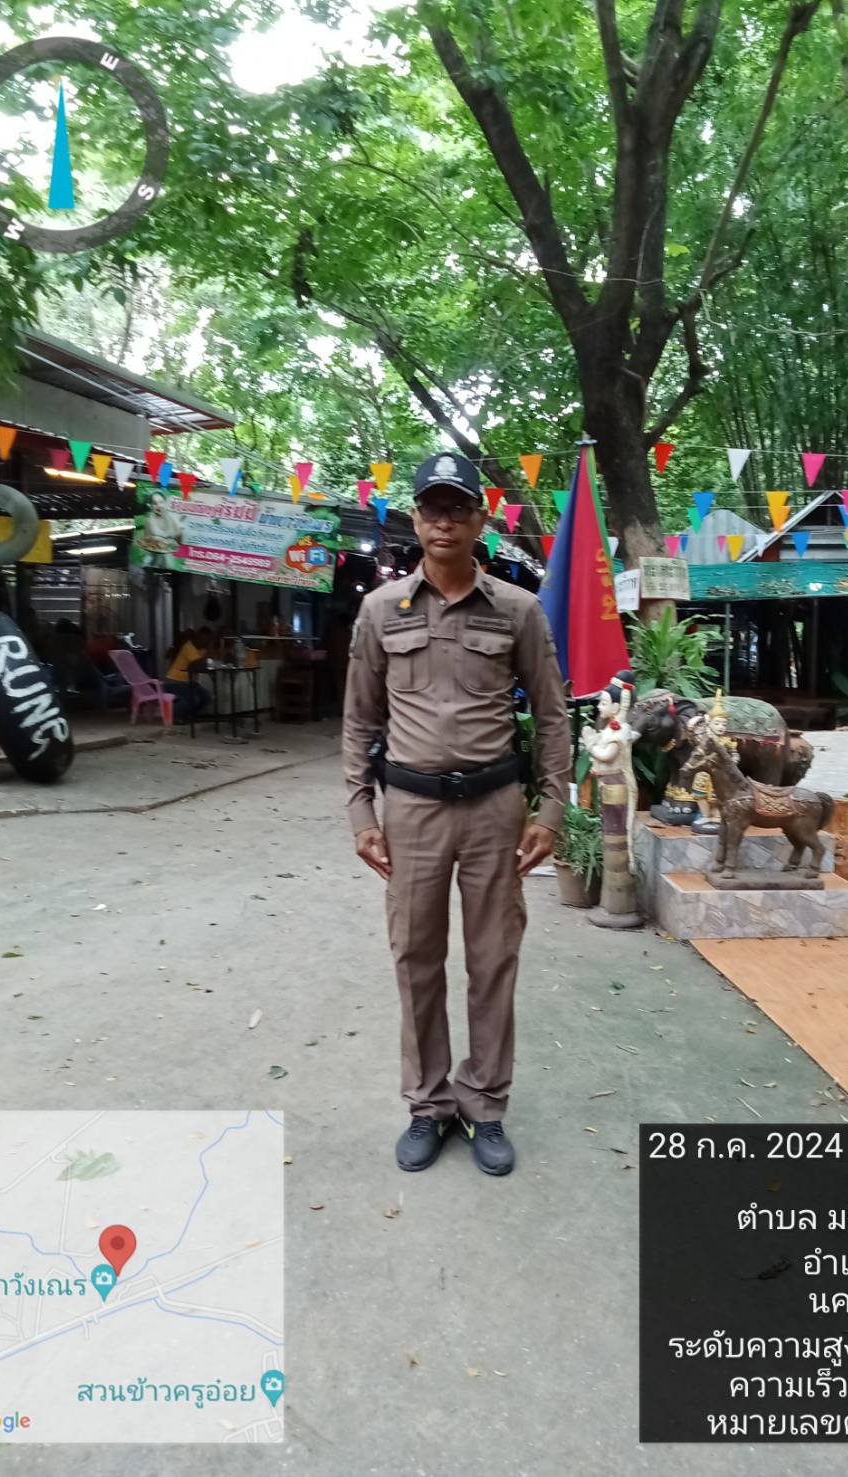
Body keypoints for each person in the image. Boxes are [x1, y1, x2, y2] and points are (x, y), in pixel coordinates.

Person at [342, 451, 570, 1176]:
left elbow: (553, 715)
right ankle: (429, 1104)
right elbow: (358, 719)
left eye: (458, 508)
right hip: (411, 812)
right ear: (415, 519)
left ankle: (485, 1104)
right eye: (432, 508)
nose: (444, 521)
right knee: (416, 957)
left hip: (495, 810)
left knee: (493, 958)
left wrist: (552, 808)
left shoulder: (518, 610)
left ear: (480, 519)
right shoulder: (380, 610)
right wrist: (361, 813)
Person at [165, 626, 212, 720]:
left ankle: (190, 716)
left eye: (208, 641)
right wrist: (209, 652)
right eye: (205, 640)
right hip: (176, 680)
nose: (206, 643)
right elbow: (197, 664)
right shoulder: (188, 646)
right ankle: (172, 716)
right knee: (192, 699)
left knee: (206, 697)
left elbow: (204, 665)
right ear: (198, 638)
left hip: (190, 682)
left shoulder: (201, 649)